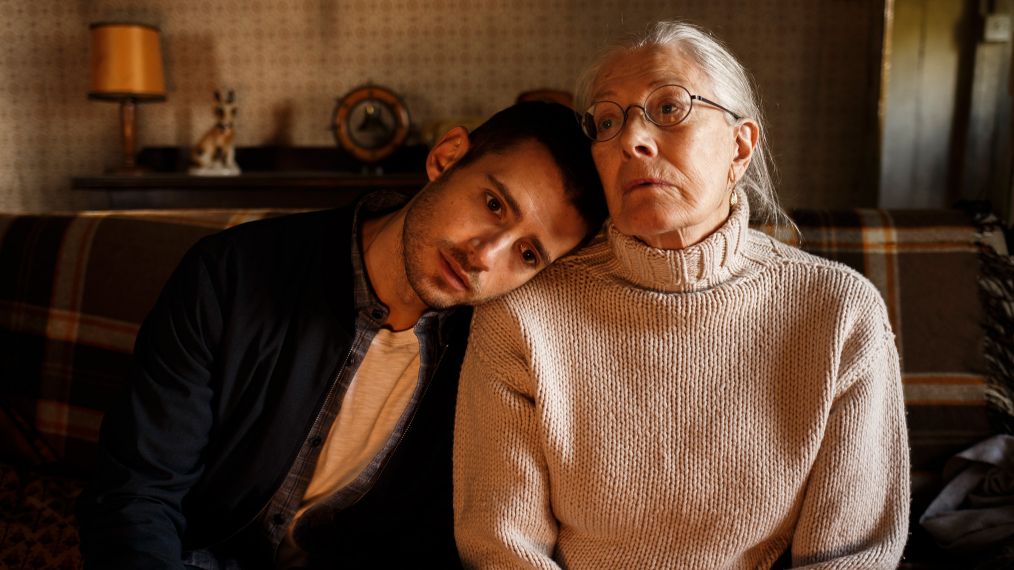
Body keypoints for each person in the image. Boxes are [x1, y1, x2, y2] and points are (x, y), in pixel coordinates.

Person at [454, 21, 910, 569]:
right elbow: (501, 546)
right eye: (605, 121)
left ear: (740, 148)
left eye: (669, 109)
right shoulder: (524, 312)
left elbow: (853, 555)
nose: (631, 140)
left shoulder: (839, 311)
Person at [77, 101, 607, 569]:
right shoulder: (230, 273)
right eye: (493, 204)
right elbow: (136, 494)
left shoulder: (496, 356)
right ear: (447, 156)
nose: (485, 256)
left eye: (528, 253)